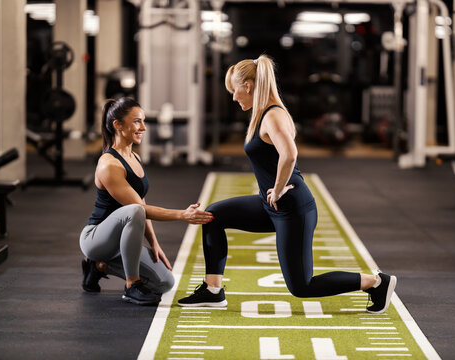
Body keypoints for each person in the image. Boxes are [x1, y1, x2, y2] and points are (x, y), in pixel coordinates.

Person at [178, 55, 397, 314]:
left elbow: (290, 154)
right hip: (270, 204)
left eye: (234, 91)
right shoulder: (261, 114)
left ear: (248, 86)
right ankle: (213, 290)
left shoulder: (273, 115)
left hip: (292, 208)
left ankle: (375, 282)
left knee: (302, 286)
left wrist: (280, 186)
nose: (234, 98)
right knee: (212, 216)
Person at [80, 97, 213, 306]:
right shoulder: (109, 164)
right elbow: (138, 210)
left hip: (119, 242)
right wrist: (182, 215)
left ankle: (98, 267)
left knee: (165, 283)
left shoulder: (135, 158)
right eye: (136, 122)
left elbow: (140, 200)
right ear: (118, 125)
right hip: (97, 239)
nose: (143, 127)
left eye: (143, 121)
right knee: (134, 211)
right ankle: (131, 286)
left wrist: (154, 243)